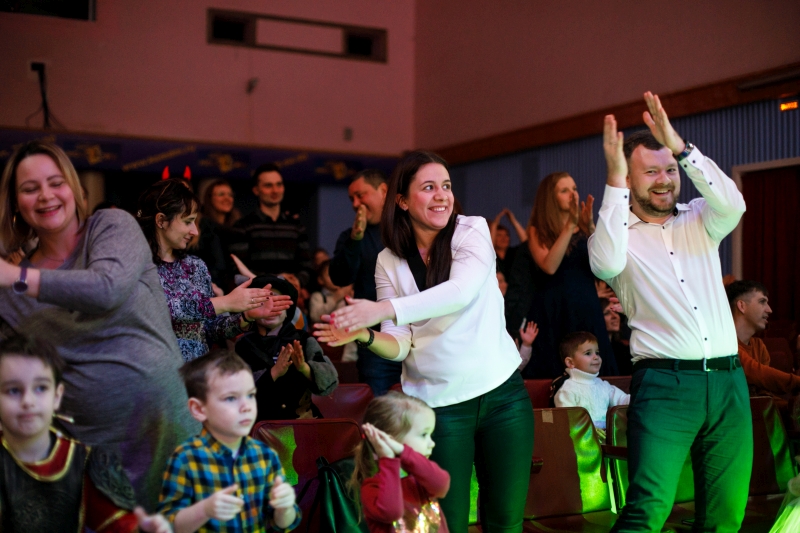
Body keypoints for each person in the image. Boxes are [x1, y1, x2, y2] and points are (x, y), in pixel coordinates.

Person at [315, 151, 534, 532]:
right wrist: (364, 334)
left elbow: (460, 292)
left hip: (504, 397)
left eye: (446, 186)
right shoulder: (388, 261)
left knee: (506, 522)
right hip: (440, 407)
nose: (442, 195)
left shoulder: (471, 230)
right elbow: (400, 344)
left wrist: (381, 309)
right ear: (401, 200)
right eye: (429, 187)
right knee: (446, 524)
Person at [0, 140, 196, 510]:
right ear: (14, 204)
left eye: (55, 182)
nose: (46, 195)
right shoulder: (8, 293)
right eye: (29, 188)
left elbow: (106, 289)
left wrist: (17, 277)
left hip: (173, 442)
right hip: (96, 463)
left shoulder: (111, 227)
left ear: (74, 188)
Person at [589, 92, 750, 532]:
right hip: (665, 384)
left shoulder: (700, 217)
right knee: (649, 510)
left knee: (727, 513)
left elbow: (734, 204)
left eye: (670, 170)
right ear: (629, 178)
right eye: (651, 172)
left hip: (728, 381)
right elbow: (603, 262)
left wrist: (682, 148)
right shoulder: (617, 236)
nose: (664, 180)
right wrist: (615, 181)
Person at [0, 332, 172, 533]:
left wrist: (144, 529)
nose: (28, 401)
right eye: (13, 390)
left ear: (57, 396)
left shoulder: (85, 462)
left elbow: (120, 525)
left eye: (40, 388)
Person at [137, 179, 291, 362]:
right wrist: (226, 302)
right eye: (188, 222)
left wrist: (245, 316)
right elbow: (162, 309)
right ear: (161, 220)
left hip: (196, 371)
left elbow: (210, 328)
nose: (195, 231)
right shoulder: (136, 267)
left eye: (195, 222)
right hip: (154, 369)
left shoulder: (195, 266)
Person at [158, 349, 301, 532]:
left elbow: (284, 523)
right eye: (231, 398)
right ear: (199, 409)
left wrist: (285, 509)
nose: (246, 406)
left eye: (250, 395)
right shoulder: (185, 459)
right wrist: (204, 510)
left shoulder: (265, 456)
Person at [525, 171, 617, 378]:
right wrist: (570, 226)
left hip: (586, 306)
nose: (573, 194)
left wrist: (590, 226)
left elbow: (604, 264)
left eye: (574, 189)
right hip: (555, 310)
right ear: (551, 198)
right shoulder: (538, 230)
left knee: (597, 369)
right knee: (556, 370)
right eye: (564, 191)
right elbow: (549, 266)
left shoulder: (583, 227)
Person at [328, 169, 401, 395]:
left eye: (360, 195)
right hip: (374, 341)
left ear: (383, 191)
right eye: (352, 199)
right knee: (380, 407)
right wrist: (355, 239)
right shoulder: (349, 237)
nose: (355, 204)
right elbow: (340, 277)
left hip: (419, 336)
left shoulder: (408, 229)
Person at [235, 275, 338, 420]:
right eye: (262, 303)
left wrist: (304, 368)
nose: (271, 308)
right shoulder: (244, 345)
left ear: (288, 309)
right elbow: (238, 391)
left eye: (278, 303)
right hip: (263, 425)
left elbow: (330, 382)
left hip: (303, 422)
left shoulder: (303, 339)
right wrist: (274, 372)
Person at [351, 392, 450, 533]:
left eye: (431, 435)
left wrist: (404, 452)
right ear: (389, 441)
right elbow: (391, 512)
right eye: (424, 435)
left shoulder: (421, 477)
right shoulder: (372, 487)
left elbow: (442, 485)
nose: (432, 443)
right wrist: (389, 459)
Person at [231, 163, 312, 279]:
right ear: (256, 190)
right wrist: (277, 280)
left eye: (279, 184)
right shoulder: (243, 226)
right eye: (268, 185)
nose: (275, 190)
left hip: (290, 289)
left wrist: (298, 281)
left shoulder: (296, 226)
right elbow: (239, 268)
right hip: (258, 289)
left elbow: (307, 266)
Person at [726, 280, 800, 396]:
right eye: (762, 302)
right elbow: (755, 372)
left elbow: (763, 394)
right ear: (742, 306)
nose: (769, 310)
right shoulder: (724, 343)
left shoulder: (759, 346)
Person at [553, 331, 629, 440]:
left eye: (597, 353)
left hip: (608, 440)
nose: (596, 357)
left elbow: (623, 400)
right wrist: (588, 430)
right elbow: (567, 421)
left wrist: (642, 398)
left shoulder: (604, 386)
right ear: (570, 362)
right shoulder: (567, 390)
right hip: (582, 443)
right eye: (588, 353)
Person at [195, 179, 241, 289]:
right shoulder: (202, 226)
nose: (227, 198)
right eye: (221, 194)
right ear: (209, 198)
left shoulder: (238, 226)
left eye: (230, 195)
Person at [489, 208, 527, 277]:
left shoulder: (514, 253)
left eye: (506, 235)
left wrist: (514, 221)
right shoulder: (490, 256)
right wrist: (494, 225)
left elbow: (527, 243)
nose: (503, 238)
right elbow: (489, 246)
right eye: (499, 235)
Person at [600, 297, 633, 375]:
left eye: (616, 312)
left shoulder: (623, 350)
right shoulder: (596, 351)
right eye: (607, 313)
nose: (614, 316)